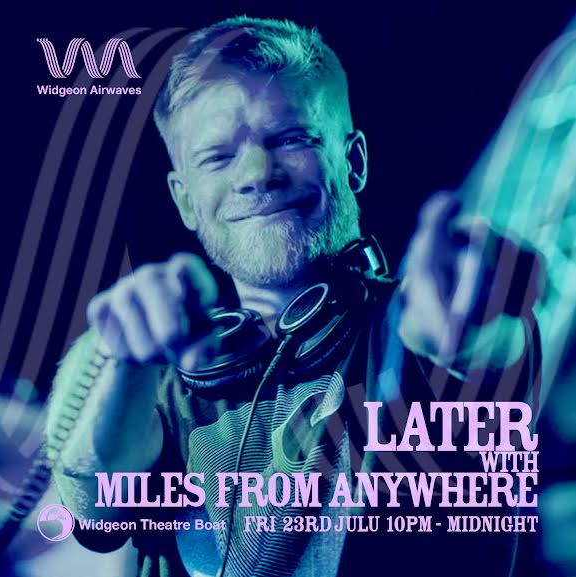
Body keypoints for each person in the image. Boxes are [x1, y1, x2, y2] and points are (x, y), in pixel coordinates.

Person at [46, 16, 543, 577]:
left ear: (353, 162)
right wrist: (128, 363)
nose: (258, 173)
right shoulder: (149, 365)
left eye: (290, 138)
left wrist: (466, 331)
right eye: (217, 157)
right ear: (184, 201)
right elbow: (95, 508)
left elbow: (475, 361)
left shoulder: (414, 319)